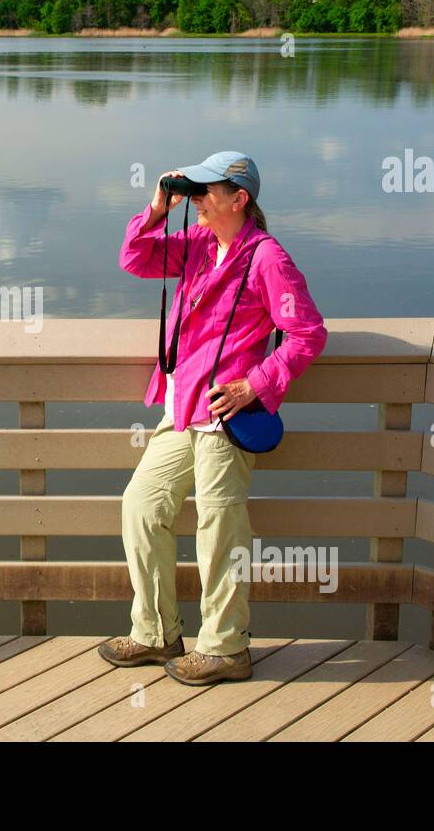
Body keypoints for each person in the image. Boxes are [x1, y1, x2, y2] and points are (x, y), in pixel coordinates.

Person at [101, 151, 327, 685]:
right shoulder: (201, 243)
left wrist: (257, 383)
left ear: (239, 198)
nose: (197, 199)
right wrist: (159, 205)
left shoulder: (267, 259)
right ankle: (157, 634)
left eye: (206, 191)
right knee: (141, 507)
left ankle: (226, 648)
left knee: (218, 530)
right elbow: (134, 258)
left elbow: (308, 334)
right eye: (194, 190)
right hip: (181, 408)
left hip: (225, 416)